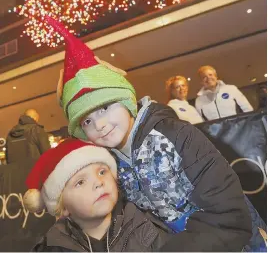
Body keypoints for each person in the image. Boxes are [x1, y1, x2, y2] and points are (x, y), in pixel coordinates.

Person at [44, 15, 259, 252]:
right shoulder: (108, 164)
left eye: (105, 107)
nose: (100, 125)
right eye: (87, 120)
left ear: (126, 101)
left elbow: (228, 215)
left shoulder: (177, 135)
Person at [23, 138, 173, 252]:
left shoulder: (147, 228)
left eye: (102, 172)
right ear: (63, 208)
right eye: (80, 182)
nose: (98, 182)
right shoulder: (52, 247)